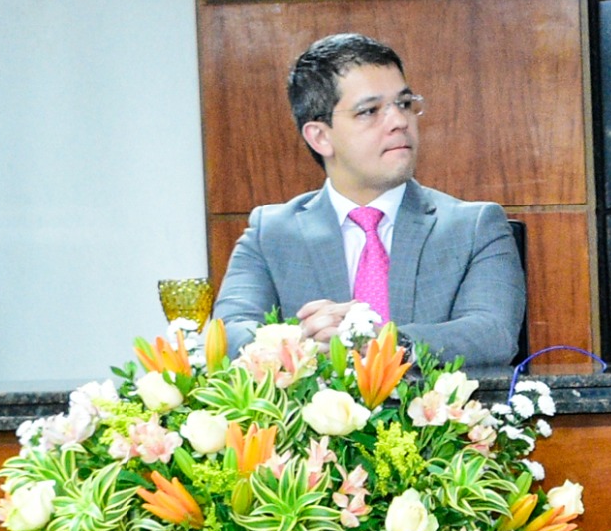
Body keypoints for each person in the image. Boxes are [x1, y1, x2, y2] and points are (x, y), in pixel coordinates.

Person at [215, 32, 526, 364]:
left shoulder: (474, 227)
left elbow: (494, 334)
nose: (399, 121)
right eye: (369, 111)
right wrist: (300, 343)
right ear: (320, 137)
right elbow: (228, 334)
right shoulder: (271, 233)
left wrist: (381, 341)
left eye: (404, 104)